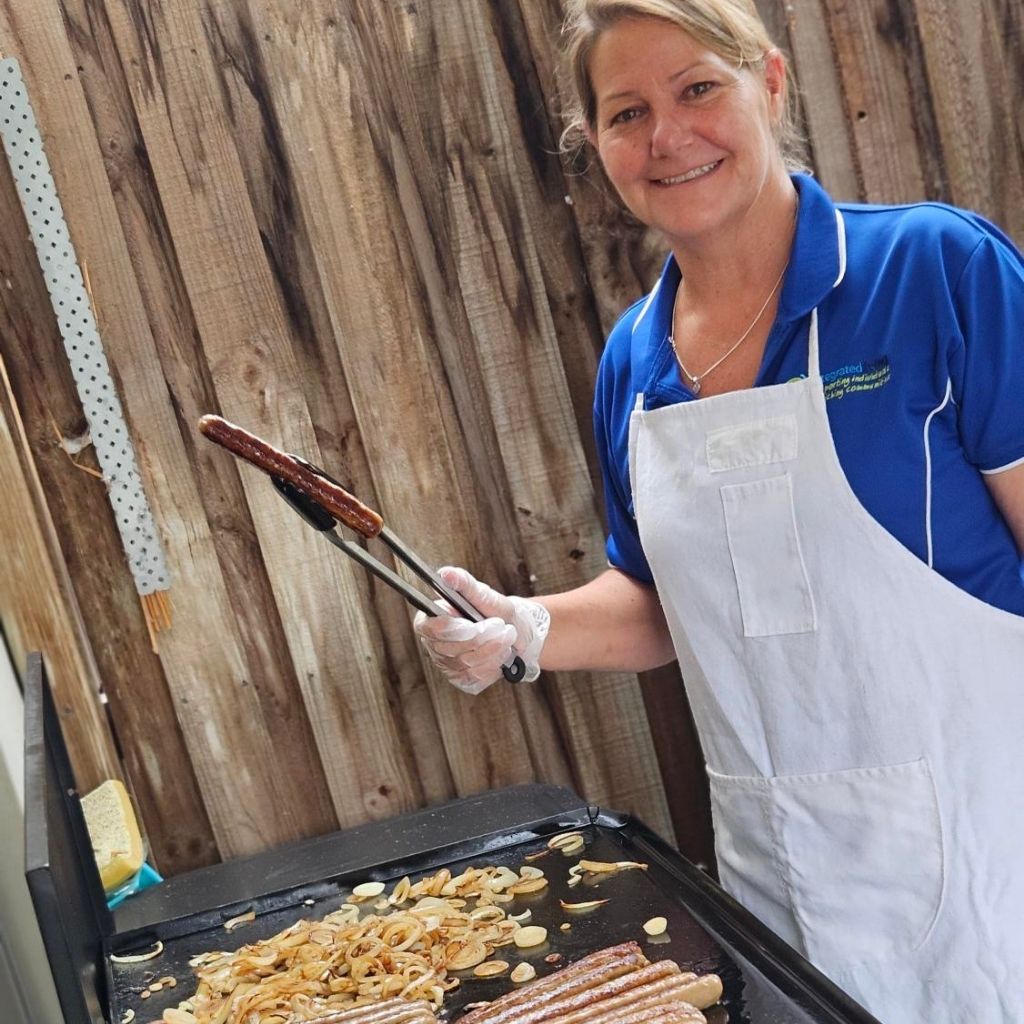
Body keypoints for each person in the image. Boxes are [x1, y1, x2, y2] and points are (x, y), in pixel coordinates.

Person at [414, 1, 1024, 1020]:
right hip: (777, 890)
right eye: (624, 112)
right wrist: (521, 630)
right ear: (597, 144)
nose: (667, 136)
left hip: (988, 863)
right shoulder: (633, 363)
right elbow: (667, 605)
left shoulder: (933, 272)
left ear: (770, 84)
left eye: (698, 88)